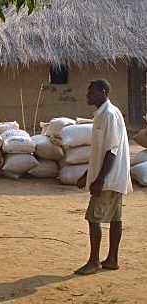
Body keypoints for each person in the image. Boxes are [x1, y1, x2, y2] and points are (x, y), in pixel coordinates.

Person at [75, 79, 132, 275]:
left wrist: (99, 180)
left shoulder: (109, 115)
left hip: (109, 178)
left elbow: (112, 151)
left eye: (91, 92)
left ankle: (94, 262)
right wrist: (87, 174)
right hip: (113, 177)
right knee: (115, 218)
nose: (87, 95)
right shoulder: (102, 114)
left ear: (103, 92)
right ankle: (112, 259)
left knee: (93, 218)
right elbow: (99, 152)